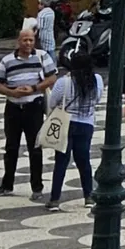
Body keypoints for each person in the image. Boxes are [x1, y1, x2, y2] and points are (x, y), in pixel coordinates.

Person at [0, 27, 57, 200]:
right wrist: (12, 93)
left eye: (31, 40)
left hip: (33, 106)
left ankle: (37, 187)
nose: (28, 43)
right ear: (18, 41)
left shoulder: (42, 56)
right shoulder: (7, 61)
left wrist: (34, 88)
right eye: (25, 40)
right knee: (11, 147)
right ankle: (7, 184)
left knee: (35, 147)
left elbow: (52, 78)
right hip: (13, 107)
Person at [44, 50, 102, 211]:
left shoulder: (64, 82)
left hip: (66, 123)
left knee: (61, 162)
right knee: (84, 161)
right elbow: (97, 99)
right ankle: (88, 196)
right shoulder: (96, 80)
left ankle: (55, 199)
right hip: (86, 124)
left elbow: (52, 102)